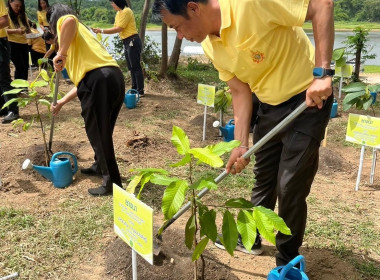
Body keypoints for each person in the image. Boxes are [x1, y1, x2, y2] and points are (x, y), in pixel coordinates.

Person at [152, 0, 334, 267]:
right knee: (265, 177)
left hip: (307, 98)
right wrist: (239, 143)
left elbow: (322, 5)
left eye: (177, 27)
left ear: (194, 8)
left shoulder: (249, 4)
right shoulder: (209, 44)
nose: (180, 35)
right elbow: (239, 91)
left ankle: (287, 263)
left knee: (290, 183)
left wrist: (323, 72)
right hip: (270, 103)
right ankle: (250, 238)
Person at [47, 3, 125, 196]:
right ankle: (100, 165)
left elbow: (70, 20)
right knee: (102, 130)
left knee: (98, 132)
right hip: (113, 77)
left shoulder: (67, 22)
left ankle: (112, 183)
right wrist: (62, 102)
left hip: (99, 80)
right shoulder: (83, 34)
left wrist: (61, 53)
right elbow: (84, 82)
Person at [92, 0, 144, 96]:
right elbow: (115, 28)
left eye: (113, 3)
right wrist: (100, 30)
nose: (112, 5)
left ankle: (140, 91)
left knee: (136, 67)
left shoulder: (127, 11)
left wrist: (101, 30)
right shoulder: (118, 14)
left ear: (118, 2)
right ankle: (134, 89)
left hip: (133, 40)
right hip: (126, 42)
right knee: (131, 67)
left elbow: (119, 28)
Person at [3, 0, 30, 123]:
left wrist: (29, 30)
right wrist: (16, 31)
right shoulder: (7, 13)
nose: (18, 8)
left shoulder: (21, 15)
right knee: (19, 67)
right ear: (10, 3)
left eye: (20, 6)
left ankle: (22, 89)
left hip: (22, 43)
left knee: (24, 67)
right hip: (12, 43)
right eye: (16, 6)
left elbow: (28, 27)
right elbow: (5, 28)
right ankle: (17, 91)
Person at [0, 0, 12, 119]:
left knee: (4, 78)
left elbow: (4, 21)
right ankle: (3, 108)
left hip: (1, 42)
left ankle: (13, 110)